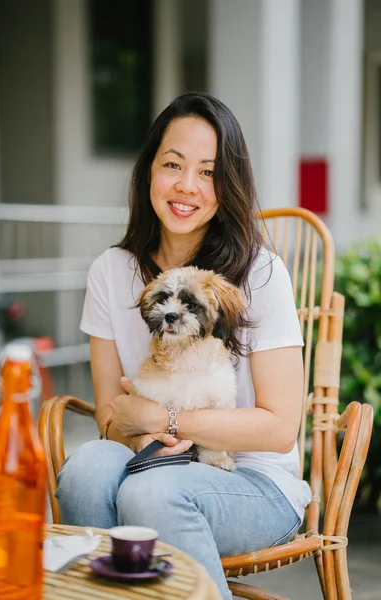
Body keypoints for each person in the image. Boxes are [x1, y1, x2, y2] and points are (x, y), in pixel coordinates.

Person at [55, 91, 312, 600]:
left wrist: (161, 420)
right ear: (149, 169)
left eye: (208, 172)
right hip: (149, 459)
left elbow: (280, 429)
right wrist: (141, 430)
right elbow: (111, 414)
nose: (186, 186)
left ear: (228, 185)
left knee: (149, 493)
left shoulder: (259, 274)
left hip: (252, 479)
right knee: (85, 469)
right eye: (173, 164)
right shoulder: (111, 271)